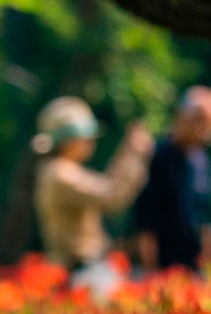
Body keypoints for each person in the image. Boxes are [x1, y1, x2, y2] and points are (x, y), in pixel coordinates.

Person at [32, 97, 153, 300]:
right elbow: (113, 196)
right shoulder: (61, 174)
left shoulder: (56, 171)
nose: (92, 144)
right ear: (70, 140)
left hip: (84, 269)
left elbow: (109, 188)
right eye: (87, 138)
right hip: (84, 271)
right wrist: (134, 152)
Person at [133, 87, 211, 275]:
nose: (205, 132)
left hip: (193, 268)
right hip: (158, 267)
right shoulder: (156, 157)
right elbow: (145, 224)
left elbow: (208, 219)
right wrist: (150, 273)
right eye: (200, 123)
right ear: (181, 116)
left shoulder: (203, 161)